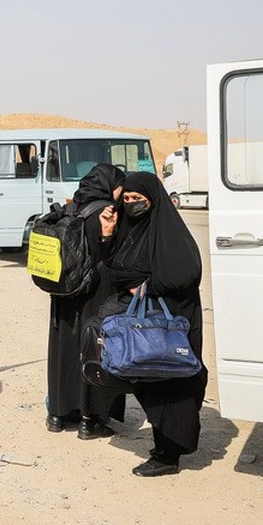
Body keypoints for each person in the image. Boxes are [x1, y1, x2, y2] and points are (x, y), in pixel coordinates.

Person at [99, 171, 205, 477]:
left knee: (170, 382)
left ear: (154, 199)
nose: (132, 204)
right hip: (145, 324)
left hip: (170, 321)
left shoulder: (169, 233)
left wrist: (147, 287)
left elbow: (185, 273)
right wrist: (107, 233)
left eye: (138, 199)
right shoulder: (129, 229)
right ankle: (164, 447)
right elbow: (113, 265)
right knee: (148, 380)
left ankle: (168, 455)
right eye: (127, 199)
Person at [45, 164, 126, 439]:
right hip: (96, 290)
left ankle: (57, 413)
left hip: (64, 292)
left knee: (62, 349)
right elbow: (109, 251)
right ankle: (89, 419)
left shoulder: (71, 208)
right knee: (94, 348)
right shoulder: (107, 212)